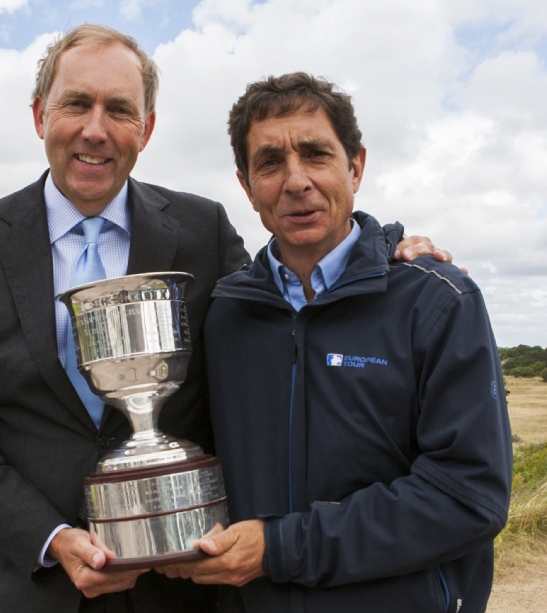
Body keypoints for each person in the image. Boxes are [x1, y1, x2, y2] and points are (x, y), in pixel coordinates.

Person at [0, 25, 452, 613]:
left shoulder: (204, 230)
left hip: (181, 590)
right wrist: (50, 540)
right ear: (41, 114)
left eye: (119, 109)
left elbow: (286, 304)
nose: (96, 129)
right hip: (29, 588)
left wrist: (383, 250)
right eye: (77, 103)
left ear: (145, 130)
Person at [158, 73, 513, 613]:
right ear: (246, 184)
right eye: (270, 162)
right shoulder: (224, 312)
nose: (296, 180)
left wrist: (279, 548)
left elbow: (469, 496)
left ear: (356, 166)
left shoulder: (438, 300)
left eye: (316, 154)